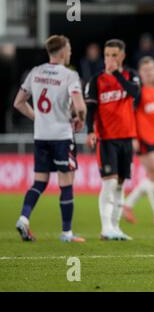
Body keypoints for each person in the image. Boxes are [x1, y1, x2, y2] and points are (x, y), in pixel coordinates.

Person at [14, 35, 86, 242]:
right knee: (66, 182)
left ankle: (24, 218)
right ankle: (66, 233)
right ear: (63, 52)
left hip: (41, 135)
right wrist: (80, 119)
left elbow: (18, 102)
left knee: (39, 182)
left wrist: (39, 118)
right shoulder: (69, 75)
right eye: (69, 48)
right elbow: (80, 106)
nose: (70, 52)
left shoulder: (35, 72)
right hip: (62, 135)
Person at [85, 39, 141, 241]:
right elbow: (91, 109)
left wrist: (116, 73)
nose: (110, 59)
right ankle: (105, 227)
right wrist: (89, 131)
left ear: (122, 56)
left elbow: (135, 94)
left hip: (126, 138)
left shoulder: (131, 75)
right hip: (106, 138)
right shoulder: (95, 80)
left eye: (114, 55)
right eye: (107, 55)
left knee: (119, 184)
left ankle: (116, 227)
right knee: (108, 184)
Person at [122, 57, 154, 226]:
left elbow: (150, 111)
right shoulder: (138, 90)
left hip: (153, 137)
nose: (149, 72)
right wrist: (133, 137)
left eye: (151, 69)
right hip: (142, 138)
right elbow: (130, 114)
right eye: (145, 70)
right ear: (140, 72)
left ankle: (129, 206)